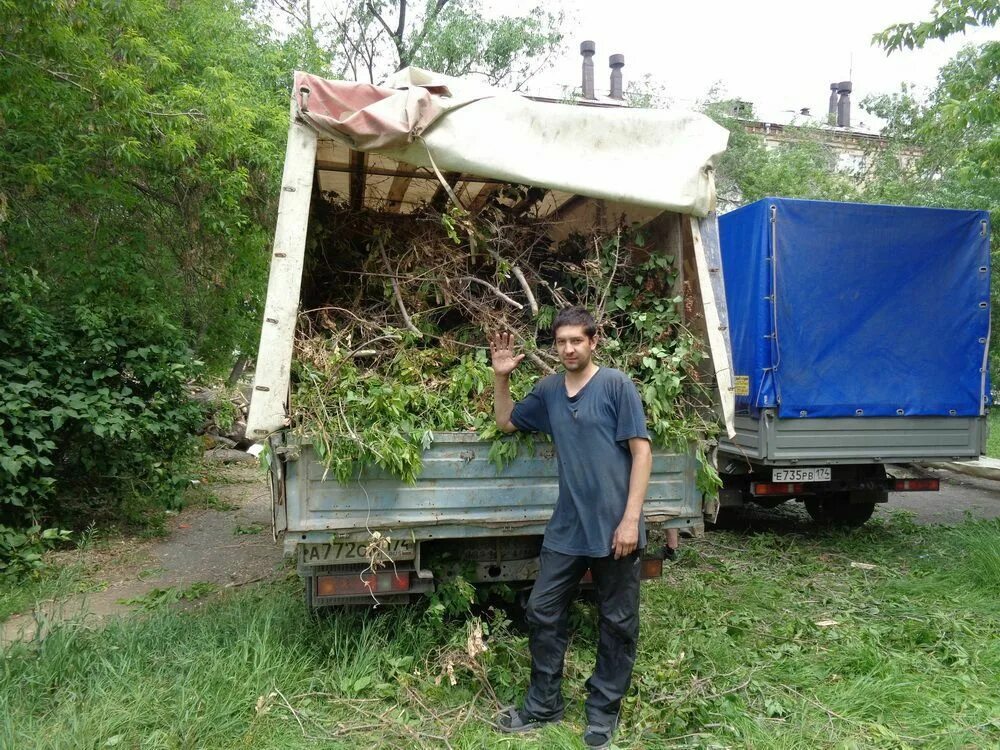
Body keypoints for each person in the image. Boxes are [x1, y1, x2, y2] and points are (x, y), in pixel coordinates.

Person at [490, 306, 652, 750]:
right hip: (567, 526)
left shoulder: (616, 386)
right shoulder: (548, 391)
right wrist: (501, 376)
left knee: (617, 622)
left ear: (593, 341)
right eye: (561, 342)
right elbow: (505, 422)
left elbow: (641, 453)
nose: (568, 348)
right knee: (542, 610)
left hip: (616, 526)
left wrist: (630, 520)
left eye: (576, 340)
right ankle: (544, 704)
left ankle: (602, 713)